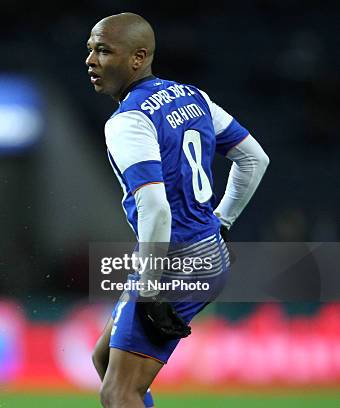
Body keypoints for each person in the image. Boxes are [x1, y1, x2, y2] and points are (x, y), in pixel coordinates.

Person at [85, 13, 269, 408]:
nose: (91, 60)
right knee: (104, 360)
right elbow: (255, 158)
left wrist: (151, 287)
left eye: (103, 50)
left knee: (119, 392)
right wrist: (222, 222)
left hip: (175, 264)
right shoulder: (192, 97)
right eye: (90, 50)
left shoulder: (128, 121)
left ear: (138, 57)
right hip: (206, 253)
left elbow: (155, 209)